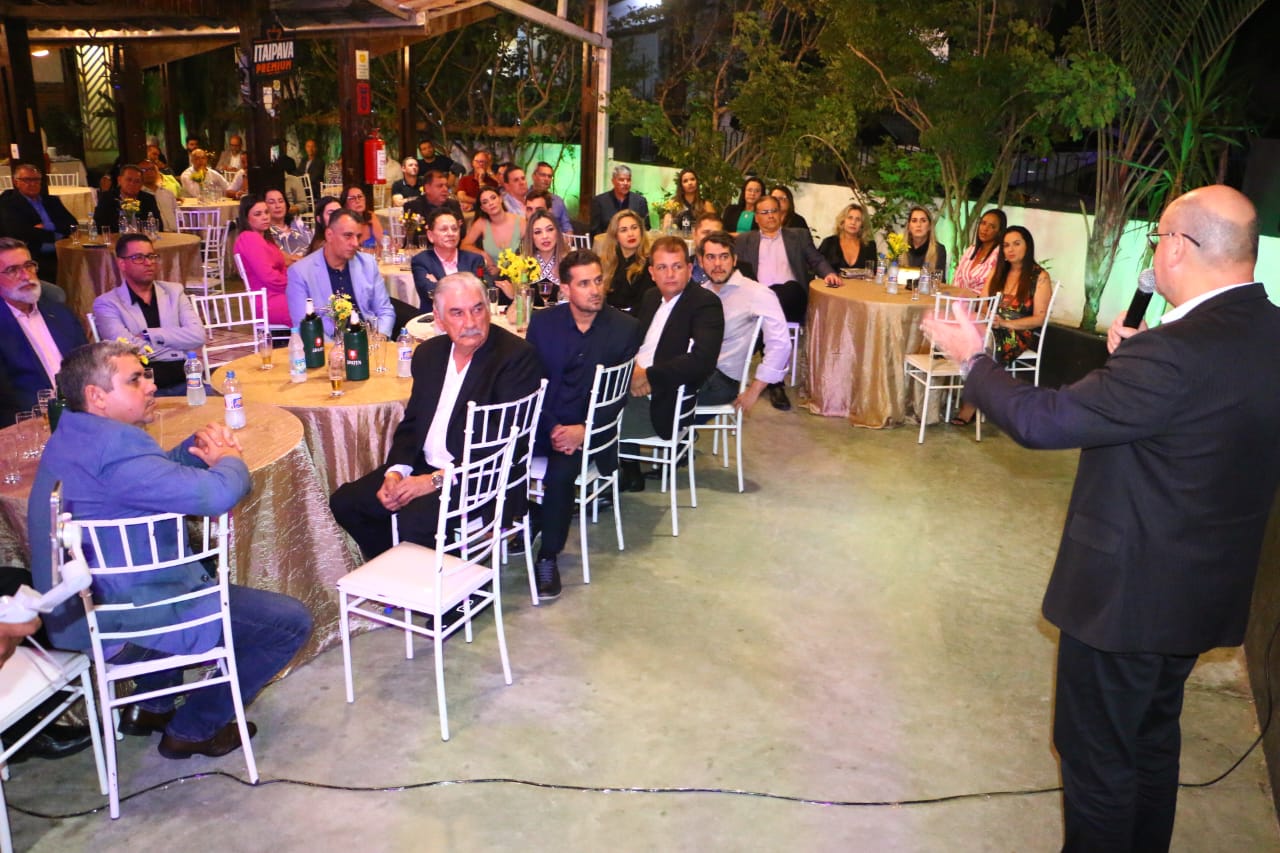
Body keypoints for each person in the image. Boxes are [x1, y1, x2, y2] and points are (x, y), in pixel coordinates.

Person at [922, 184, 1280, 853]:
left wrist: (973, 356)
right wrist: (1132, 373)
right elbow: (1200, 427)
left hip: (1126, 601)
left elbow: (1040, 420)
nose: (1156, 253)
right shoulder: (1265, 333)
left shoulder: (1171, 355)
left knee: (1098, 764)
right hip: (1199, 596)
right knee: (1149, 740)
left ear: (1178, 246)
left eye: (1157, 240)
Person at [28, 341, 312, 760]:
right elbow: (219, 496)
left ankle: (151, 707)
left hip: (80, 608)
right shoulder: (117, 448)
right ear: (97, 396)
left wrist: (193, 453)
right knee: (290, 623)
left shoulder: (74, 433)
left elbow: (138, 482)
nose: (150, 385)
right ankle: (193, 729)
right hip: (127, 613)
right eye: (135, 379)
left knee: (185, 574)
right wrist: (229, 459)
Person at [329, 272, 542, 560]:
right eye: (457, 313)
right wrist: (396, 472)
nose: (470, 322)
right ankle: (399, 571)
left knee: (414, 519)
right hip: (422, 466)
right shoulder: (429, 354)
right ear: (438, 319)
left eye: (477, 309)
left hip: (480, 475)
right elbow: (413, 425)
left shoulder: (515, 357)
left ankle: (449, 602)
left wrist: (433, 482)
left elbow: (501, 446)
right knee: (347, 502)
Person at [525, 249, 641, 598]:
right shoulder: (543, 323)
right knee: (501, 456)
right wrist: (552, 427)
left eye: (598, 280)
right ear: (565, 289)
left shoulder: (625, 329)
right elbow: (533, 383)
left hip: (591, 431)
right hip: (545, 423)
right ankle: (525, 517)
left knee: (560, 475)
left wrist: (585, 429)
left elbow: (619, 395)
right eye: (584, 283)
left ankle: (548, 555)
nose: (595, 290)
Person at [618, 236, 724, 492]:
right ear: (652, 273)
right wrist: (632, 371)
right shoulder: (651, 296)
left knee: (592, 414)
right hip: (632, 383)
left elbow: (702, 361)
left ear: (689, 269)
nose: (670, 274)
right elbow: (629, 339)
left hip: (663, 399)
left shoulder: (705, 304)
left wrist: (649, 377)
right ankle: (627, 469)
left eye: (677, 266)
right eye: (662, 268)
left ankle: (605, 479)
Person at [734, 196, 838, 409]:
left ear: (781, 214)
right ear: (756, 217)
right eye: (765, 212)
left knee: (782, 292)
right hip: (759, 300)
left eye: (774, 210)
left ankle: (744, 353)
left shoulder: (797, 236)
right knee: (767, 309)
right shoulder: (745, 241)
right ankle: (774, 383)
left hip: (793, 297)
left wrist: (828, 274)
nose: (771, 215)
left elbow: (816, 259)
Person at [93, 233, 207, 396]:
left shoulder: (174, 292)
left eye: (151, 256)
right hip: (140, 388)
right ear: (122, 264)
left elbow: (198, 335)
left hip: (187, 380)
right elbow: (124, 350)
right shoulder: (107, 303)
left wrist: (149, 335)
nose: (148, 263)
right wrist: (178, 347)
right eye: (138, 257)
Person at [696, 231, 790, 413]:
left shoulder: (756, 293)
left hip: (724, 380)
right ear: (701, 261)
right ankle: (678, 436)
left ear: (734, 259)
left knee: (659, 399)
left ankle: (676, 436)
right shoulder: (700, 293)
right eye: (710, 257)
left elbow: (780, 344)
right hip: (695, 371)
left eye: (724, 257)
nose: (717, 264)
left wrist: (755, 389)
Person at [0, 238, 88, 425]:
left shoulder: (59, 312)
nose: (26, 276)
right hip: (29, 424)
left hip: (84, 413)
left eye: (29, 266)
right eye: (12, 270)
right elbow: (6, 399)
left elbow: (87, 364)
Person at [286, 209, 395, 338]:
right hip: (326, 348)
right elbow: (303, 326)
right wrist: (333, 350)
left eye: (358, 236)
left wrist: (380, 337)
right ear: (329, 235)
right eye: (348, 236)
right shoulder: (300, 272)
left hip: (367, 340)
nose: (355, 243)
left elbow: (385, 310)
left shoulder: (367, 263)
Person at [0, 163, 78, 283]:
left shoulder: (51, 201)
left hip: (61, 252)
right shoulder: (8, 203)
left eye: (36, 180)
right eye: (27, 180)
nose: (32, 183)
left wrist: (47, 226)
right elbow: (20, 232)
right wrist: (57, 235)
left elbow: (72, 224)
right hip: (32, 256)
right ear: (16, 182)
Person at [234, 195, 294, 328]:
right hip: (268, 300)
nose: (265, 217)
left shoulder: (263, 238)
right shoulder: (249, 238)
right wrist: (295, 284)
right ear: (246, 217)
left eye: (266, 212)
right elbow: (269, 277)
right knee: (315, 307)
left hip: (276, 294)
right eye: (258, 214)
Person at [410, 209, 484, 312]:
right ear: (430, 236)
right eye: (444, 229)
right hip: (433, 321)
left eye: (454, 229)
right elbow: (430, 293)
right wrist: (465, 290)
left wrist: (439, 284)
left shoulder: (474, 260)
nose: (451, 233)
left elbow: (481, 292)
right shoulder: (421, 261)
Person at [597, 209, 654, 313]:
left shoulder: (649, 264)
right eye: (624, 230)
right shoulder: (607, 261)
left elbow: (645, 306)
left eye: (634, 228)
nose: (630, 234)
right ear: (616, 236)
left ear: (641, 231)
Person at [462, 186, 524, 276]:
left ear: (500, 199)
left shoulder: (520, 222)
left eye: (493, 198)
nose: (491, 203)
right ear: (483, 208)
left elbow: (531, 251)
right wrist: (483, 254)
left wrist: (500, 269)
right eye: (485, 202)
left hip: (518, 275)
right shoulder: (481, 223)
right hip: (492, 278)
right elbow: (464, 245)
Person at [93, 164, 164, 231]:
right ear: (119, 180)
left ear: (141, 184)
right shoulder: (107, 198)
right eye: (129, 180)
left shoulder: (148, 199)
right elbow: (99, 226)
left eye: (137, 181)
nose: (132, 184)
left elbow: (158, 226)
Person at [952, 208, 1007, 292]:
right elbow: (956, 279)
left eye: (992, 226)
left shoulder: (999, 254)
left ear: (999, 231)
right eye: (983, 223)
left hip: (982, 303)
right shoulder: (971, 250)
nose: (985, 229)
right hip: (956, 300)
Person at [521, 209, 571, 299]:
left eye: (550, 229)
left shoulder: (570, 262)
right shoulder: (523, 263)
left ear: (557, 232)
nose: (545, 236)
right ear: (531, 237)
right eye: (538, 232)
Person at [588, 165, 650, 238]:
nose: (625, 183)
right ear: (613, 181)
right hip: (607, 244)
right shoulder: (599, 201)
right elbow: (594, 230)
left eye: (628, 180)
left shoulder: (639, 201)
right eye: (621, 180)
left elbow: (645, 228)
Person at [817, 202, 877, 272]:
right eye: (850, 218)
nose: (853, 222)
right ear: (843, 221)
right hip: (832, 283)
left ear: (862, 225)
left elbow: (873, 272)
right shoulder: (829, 242)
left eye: (858, 219)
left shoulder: (870, 246)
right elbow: (817, 267)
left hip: (860, 283)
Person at [662, 168, 717, 233]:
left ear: (697, 182)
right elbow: (665, 229)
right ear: (681, 186)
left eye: (692, 179)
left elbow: (715, 229)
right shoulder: (673, 203)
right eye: (685, 181)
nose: (690, 183)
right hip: (678, 241)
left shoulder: (706, 205)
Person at [264, 187, 311, 257]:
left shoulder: (297, 223)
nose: (278, 206)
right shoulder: (266, 232)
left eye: (281, 201)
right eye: (272, 202)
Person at [529, 161, 573, 234]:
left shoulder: (558, 201)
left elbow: (567, 228)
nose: (546, 179)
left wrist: (565, 243)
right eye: (543, 175)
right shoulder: (524, 198)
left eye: (549, 176)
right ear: (534, 176)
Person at [900, 205, 946, 273]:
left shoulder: (939, 250)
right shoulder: (899, 248)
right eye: (914, 221)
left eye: (923, 221)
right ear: (909, 227)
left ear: (929, 226)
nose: (918, 225)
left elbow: (939, 280)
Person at [138, 160, 179, 232]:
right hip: (155, 234)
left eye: (151, 169)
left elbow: (178, 214)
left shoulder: (168, 193)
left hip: (175, 233)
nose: (149, 172)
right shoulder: (139, 196)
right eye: (144, 170)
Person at [340, 185, 384, 251]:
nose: (357, 201)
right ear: (345, 204)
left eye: (360, 196)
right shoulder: (344, 223)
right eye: (352, 198)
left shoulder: (371, 216)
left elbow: (382, 243)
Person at [688, 212, 724, 284]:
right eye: (706, 232)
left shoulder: (740, 271)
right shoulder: (681, 266)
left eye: (716, 234)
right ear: (694, 235)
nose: (711, 237)